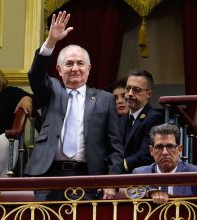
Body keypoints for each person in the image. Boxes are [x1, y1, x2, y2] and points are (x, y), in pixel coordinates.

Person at [24, 11, 124, 201]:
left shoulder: (105, 99)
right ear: (59, 70)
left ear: (89, 68)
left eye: (80, 63)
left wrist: (112, 181)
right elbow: (36, 76)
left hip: (88, 177)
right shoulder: (51, 90)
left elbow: (115, 147)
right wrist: (50, 42)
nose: (75, 68)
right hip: (48, 175)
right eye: (69, 64)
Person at [132, 123, 197, 204]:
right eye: (159, 147)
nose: (165, 152)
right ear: (151, 151)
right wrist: (151, 192)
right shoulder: (139, 174)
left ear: (179, 149)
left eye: (170, 146)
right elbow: (131, 195)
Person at [120, 70, 163, 173]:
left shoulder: (155, 118)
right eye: (128, 89)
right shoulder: (121, 119)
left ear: (149, 94)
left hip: (140, 179)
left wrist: (120, 164)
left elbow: (146, 153)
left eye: (136, 90)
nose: (130, 94)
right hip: (118, 177)